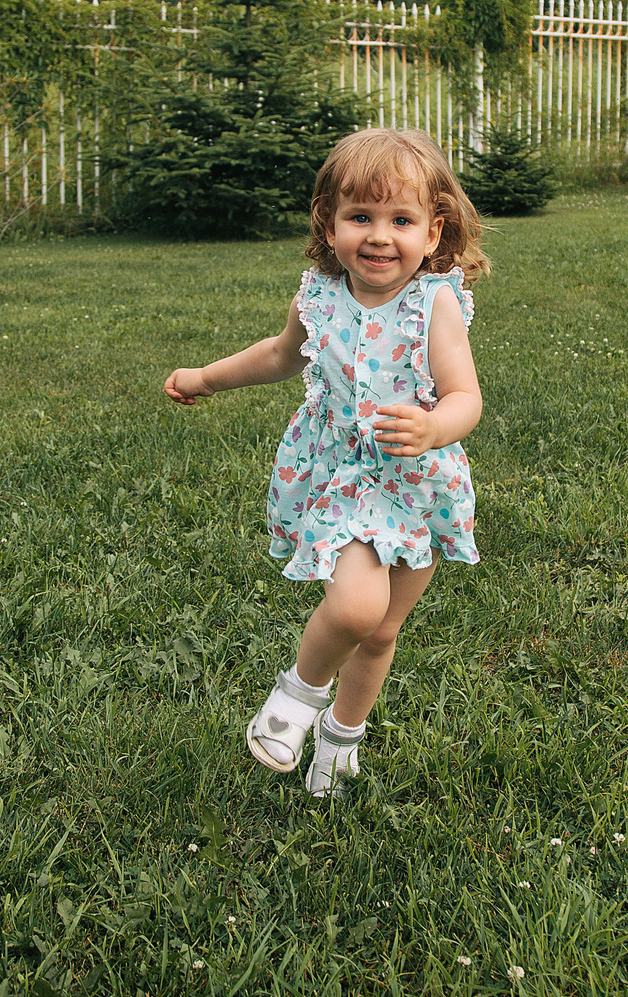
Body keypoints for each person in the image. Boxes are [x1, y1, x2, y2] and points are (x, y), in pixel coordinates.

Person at [163, 128, 488, 797]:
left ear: (434, 232)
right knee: (357, 606)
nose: (378, 235)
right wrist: (205, 376)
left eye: (400, 219)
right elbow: (279, 356)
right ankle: (295, 697)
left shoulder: (436, 304)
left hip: (416, 481)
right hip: (344, 476)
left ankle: (339, 743)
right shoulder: (317, 297)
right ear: (330, 223)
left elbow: (466, 398)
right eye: (359, 216)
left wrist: (433, 427)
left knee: (383, 630)